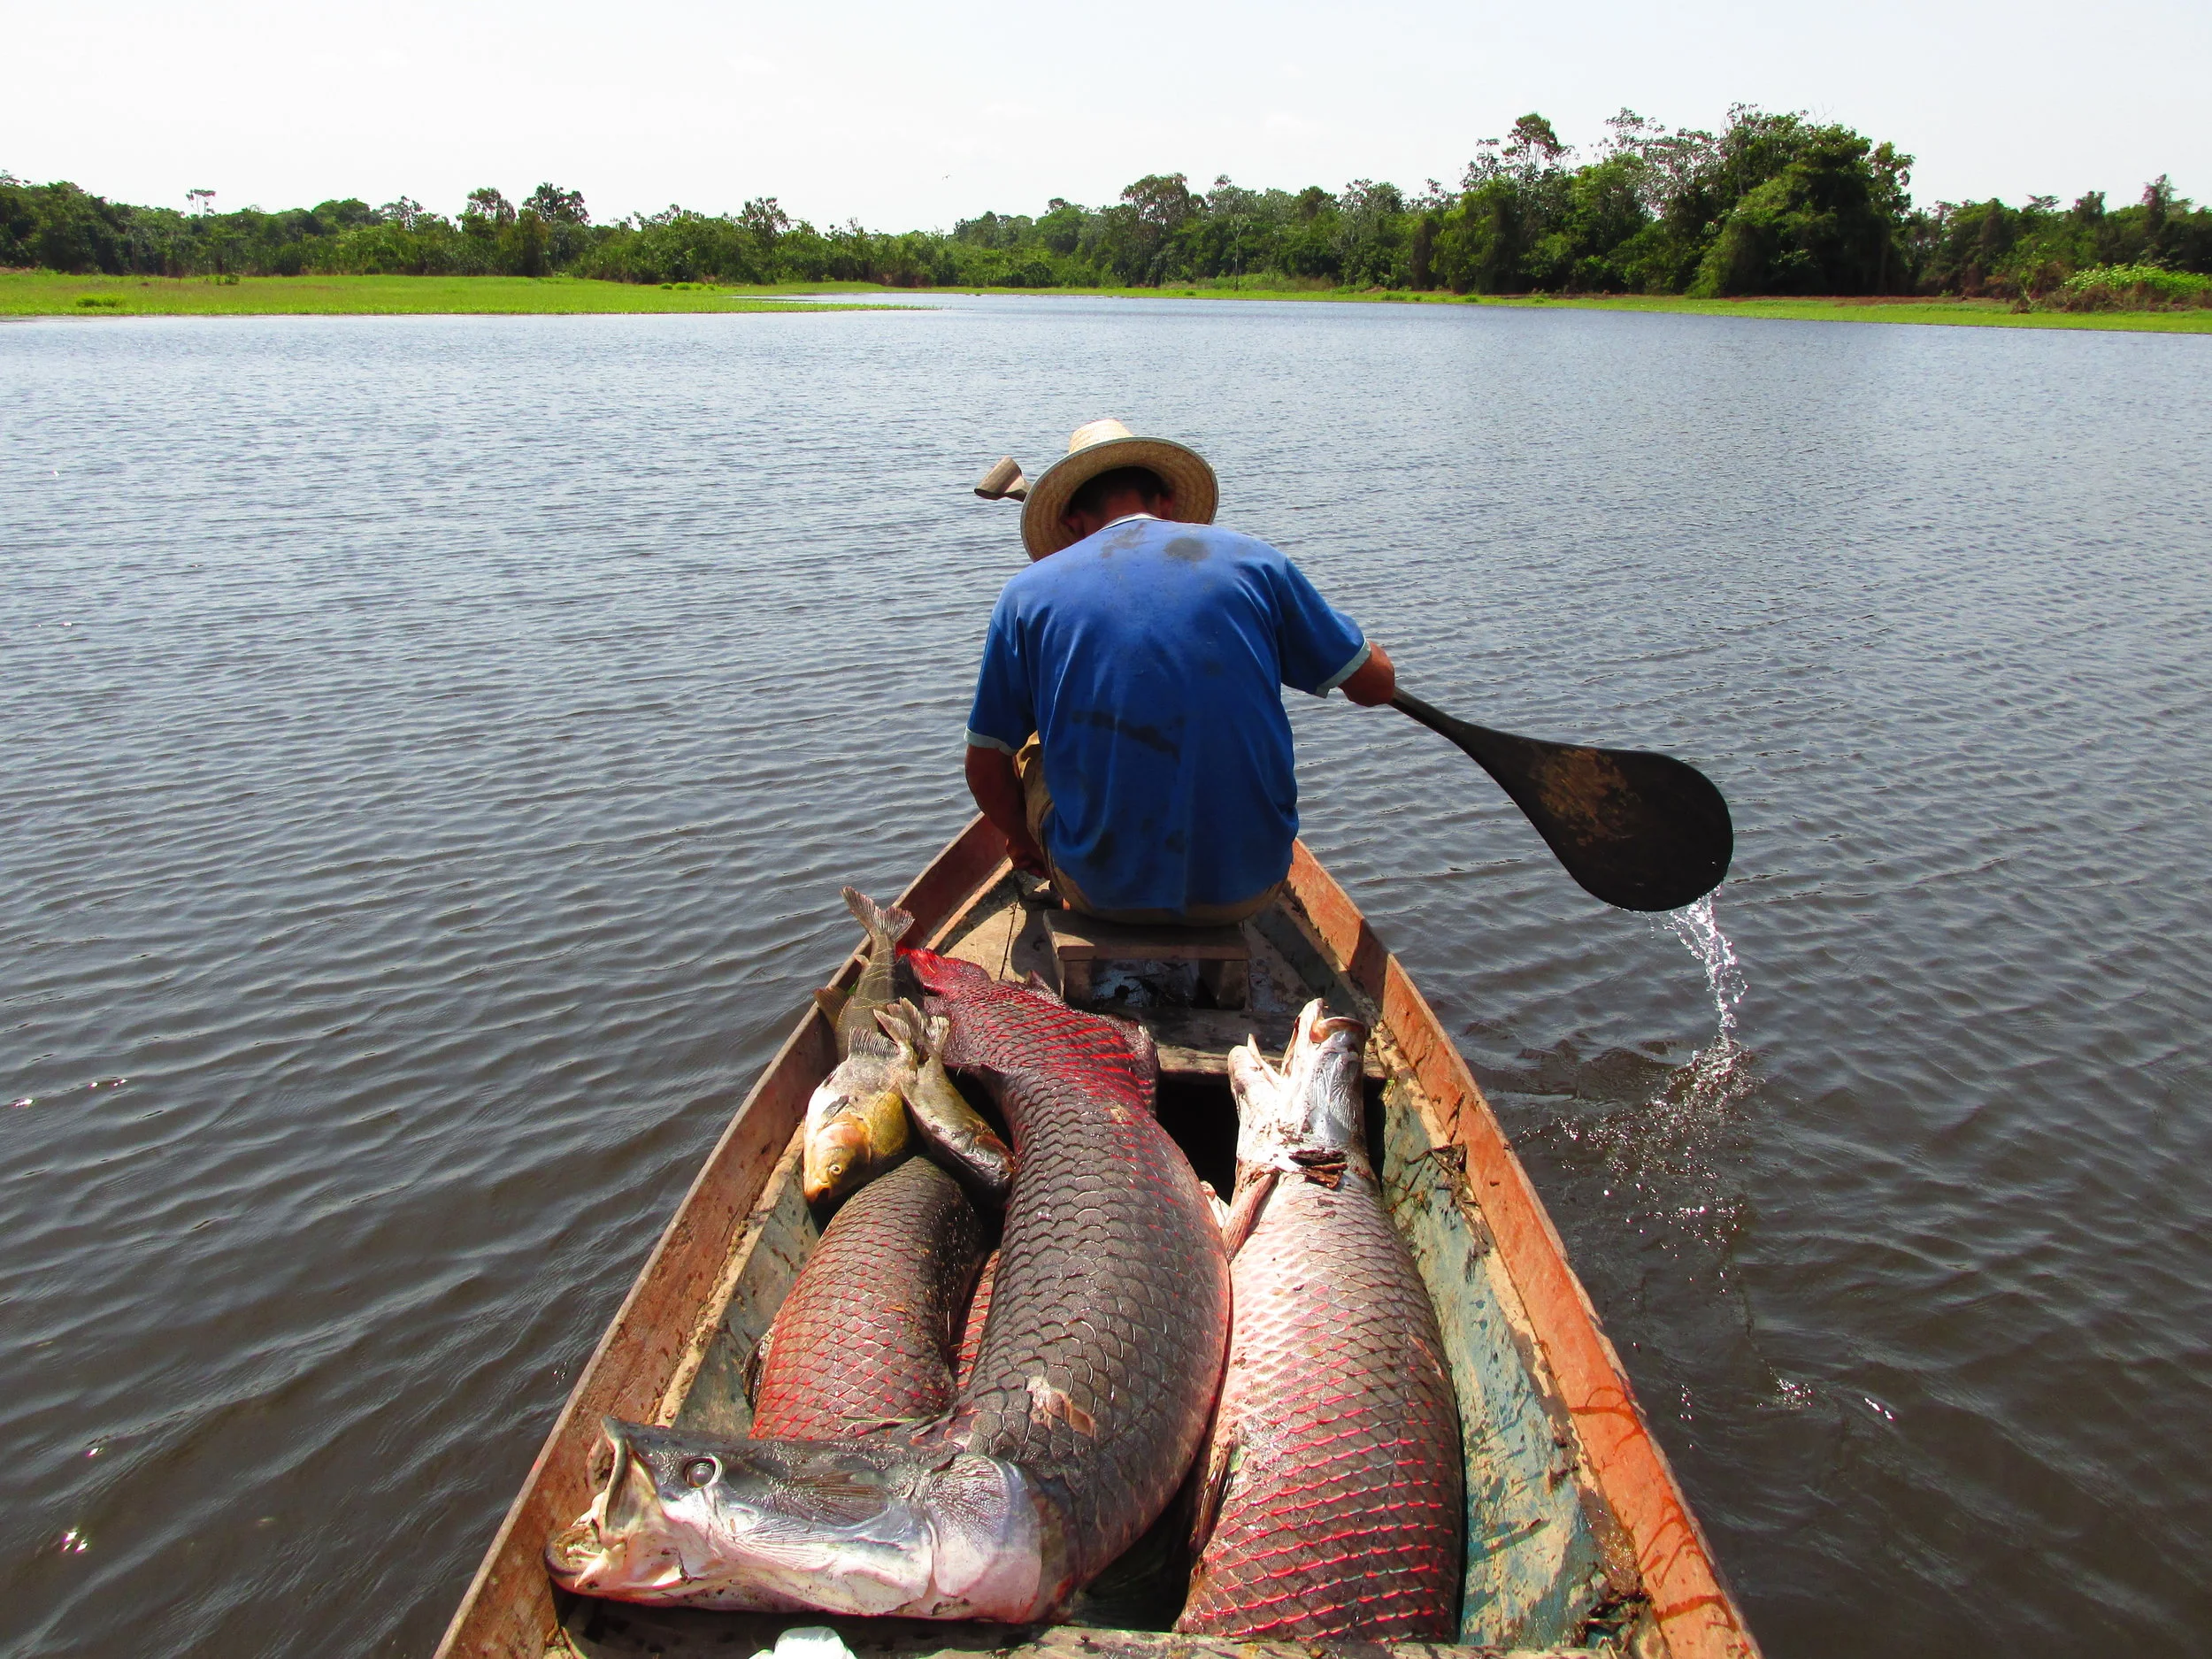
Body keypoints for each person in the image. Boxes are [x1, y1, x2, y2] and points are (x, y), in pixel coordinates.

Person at [963, 419, 1396, 925]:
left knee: (1030, 744)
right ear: (1167, 502)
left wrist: (1021, 835)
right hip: (1250, 887)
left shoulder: (1026, 595)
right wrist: (1350, 647)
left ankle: (1071, 874)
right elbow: (1377, 686)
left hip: (1103, 894)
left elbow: (983, 767)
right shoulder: (1258, 565)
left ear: (1074, 522)